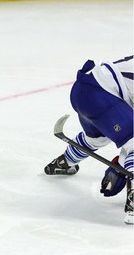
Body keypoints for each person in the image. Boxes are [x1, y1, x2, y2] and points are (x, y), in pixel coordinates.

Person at [44, 55, 133, 225]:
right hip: (101, 94)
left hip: (83, 90)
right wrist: (120, 169)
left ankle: (64, 162)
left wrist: (120, 168)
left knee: (97, 138)